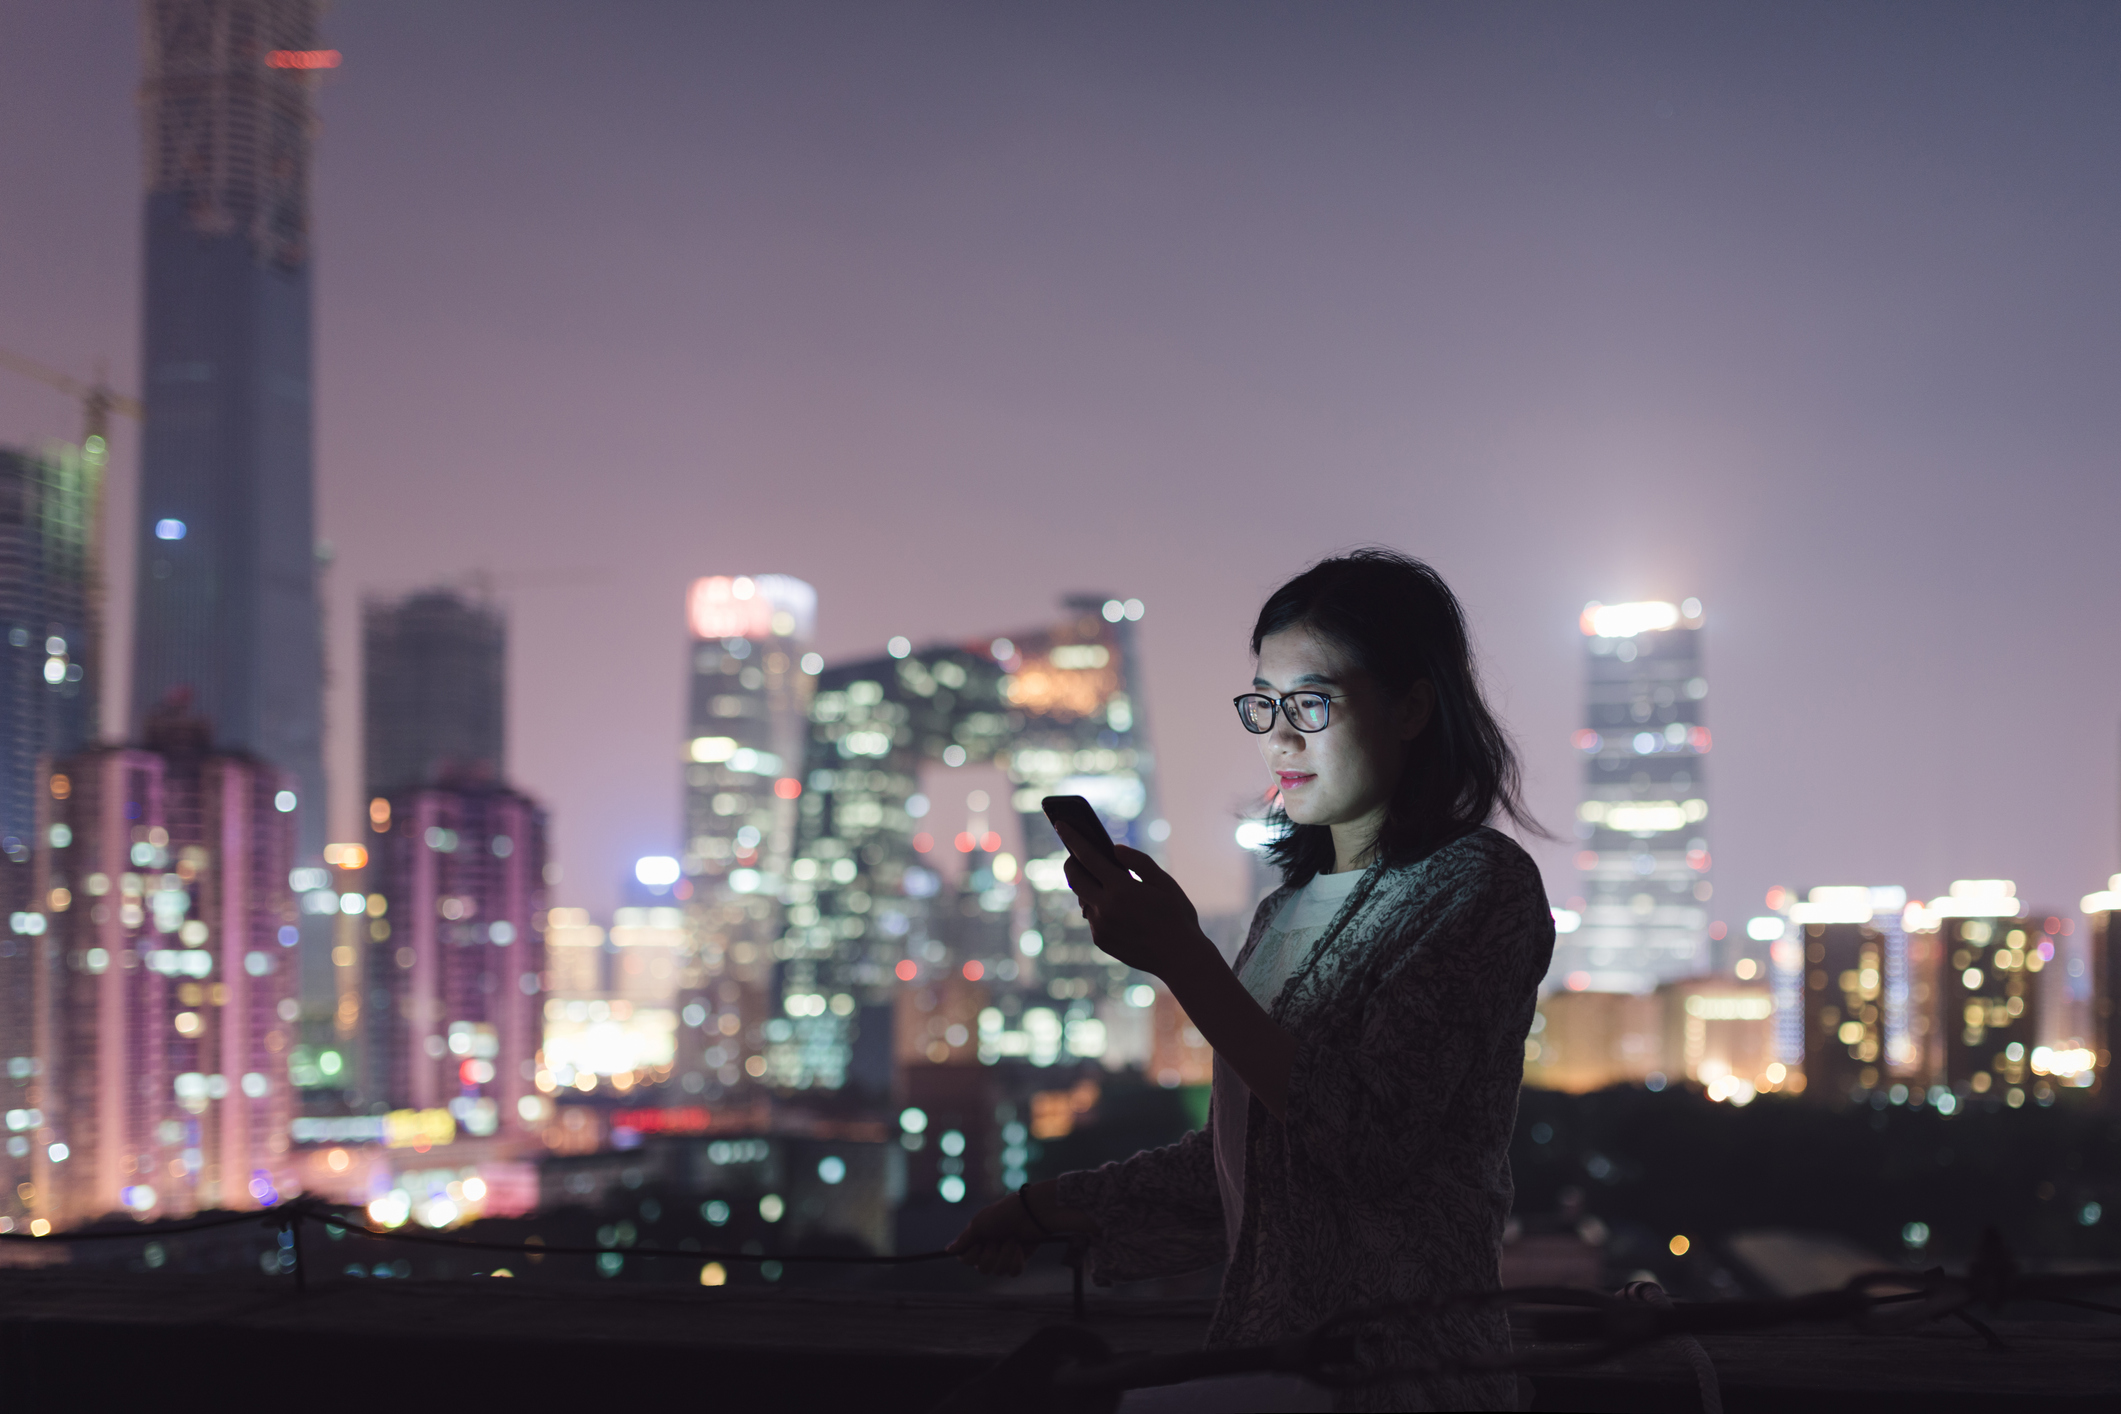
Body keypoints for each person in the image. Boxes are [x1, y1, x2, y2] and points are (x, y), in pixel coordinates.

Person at [948, 549, 1554, 1411]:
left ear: (1412, 705)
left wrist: (1185, 961)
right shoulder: (1282, 914)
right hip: (1266, 1366)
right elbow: (1249, 1164)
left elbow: (1371, 1143)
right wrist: (1047, 1208)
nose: (1278, 733)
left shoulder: (1476, 884)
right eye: (1263, 703)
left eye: (1311, 701)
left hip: (1399, 1377)